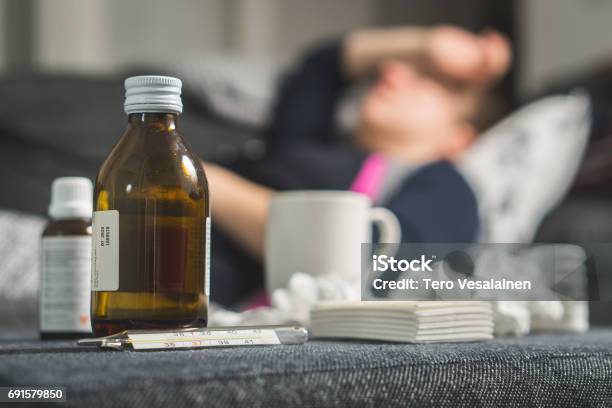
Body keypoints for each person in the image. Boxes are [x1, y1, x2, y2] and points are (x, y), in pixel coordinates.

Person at [205, 25, 511, 306]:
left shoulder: (446, 185)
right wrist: (426, 45)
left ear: (459, 139)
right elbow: (324, 65)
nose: (393, 71)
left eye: (428, 80)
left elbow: (379, 262)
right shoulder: (312, 144)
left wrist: (198, 180)